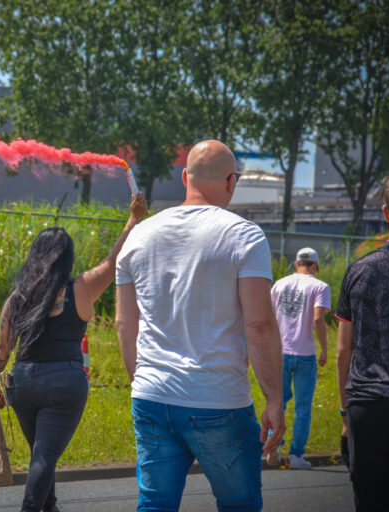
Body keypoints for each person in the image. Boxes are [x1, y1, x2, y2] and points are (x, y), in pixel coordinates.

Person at [115, 140, 284, 512]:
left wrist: (141, 381)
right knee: (239, 504)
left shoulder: (138, 236)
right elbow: (259, 325)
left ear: (184, 176)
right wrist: (274, 399)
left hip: (151, 395)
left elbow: (125, 323)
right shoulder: (244, 235)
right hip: (217, 398)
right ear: (231, 181)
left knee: (155, 505)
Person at [0, 192, 147, 512]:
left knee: (40, 455)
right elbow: (115, 260)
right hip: (64, 383)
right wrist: (134, 219)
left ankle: (50, 507)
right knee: (45, 456)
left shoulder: (18, 298)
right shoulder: (83, 288)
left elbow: (3, 349)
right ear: (68, 258)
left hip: (23, 383)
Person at [336, 169, 389, 511]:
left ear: (386, 213)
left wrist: (345, 414)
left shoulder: (359, 270)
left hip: (364, 408)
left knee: (368, 502)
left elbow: (344, 350)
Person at [269, 247, 330, 470]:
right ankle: (296, 456)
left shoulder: (279, 284)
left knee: (277, 402)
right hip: (305, 355)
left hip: (280, 352)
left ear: (296, 264)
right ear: (315, 265)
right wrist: (324, 349)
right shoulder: (320, 286)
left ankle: (273, 446)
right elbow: (317, 320)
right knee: (303, 408)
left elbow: (269, 317)